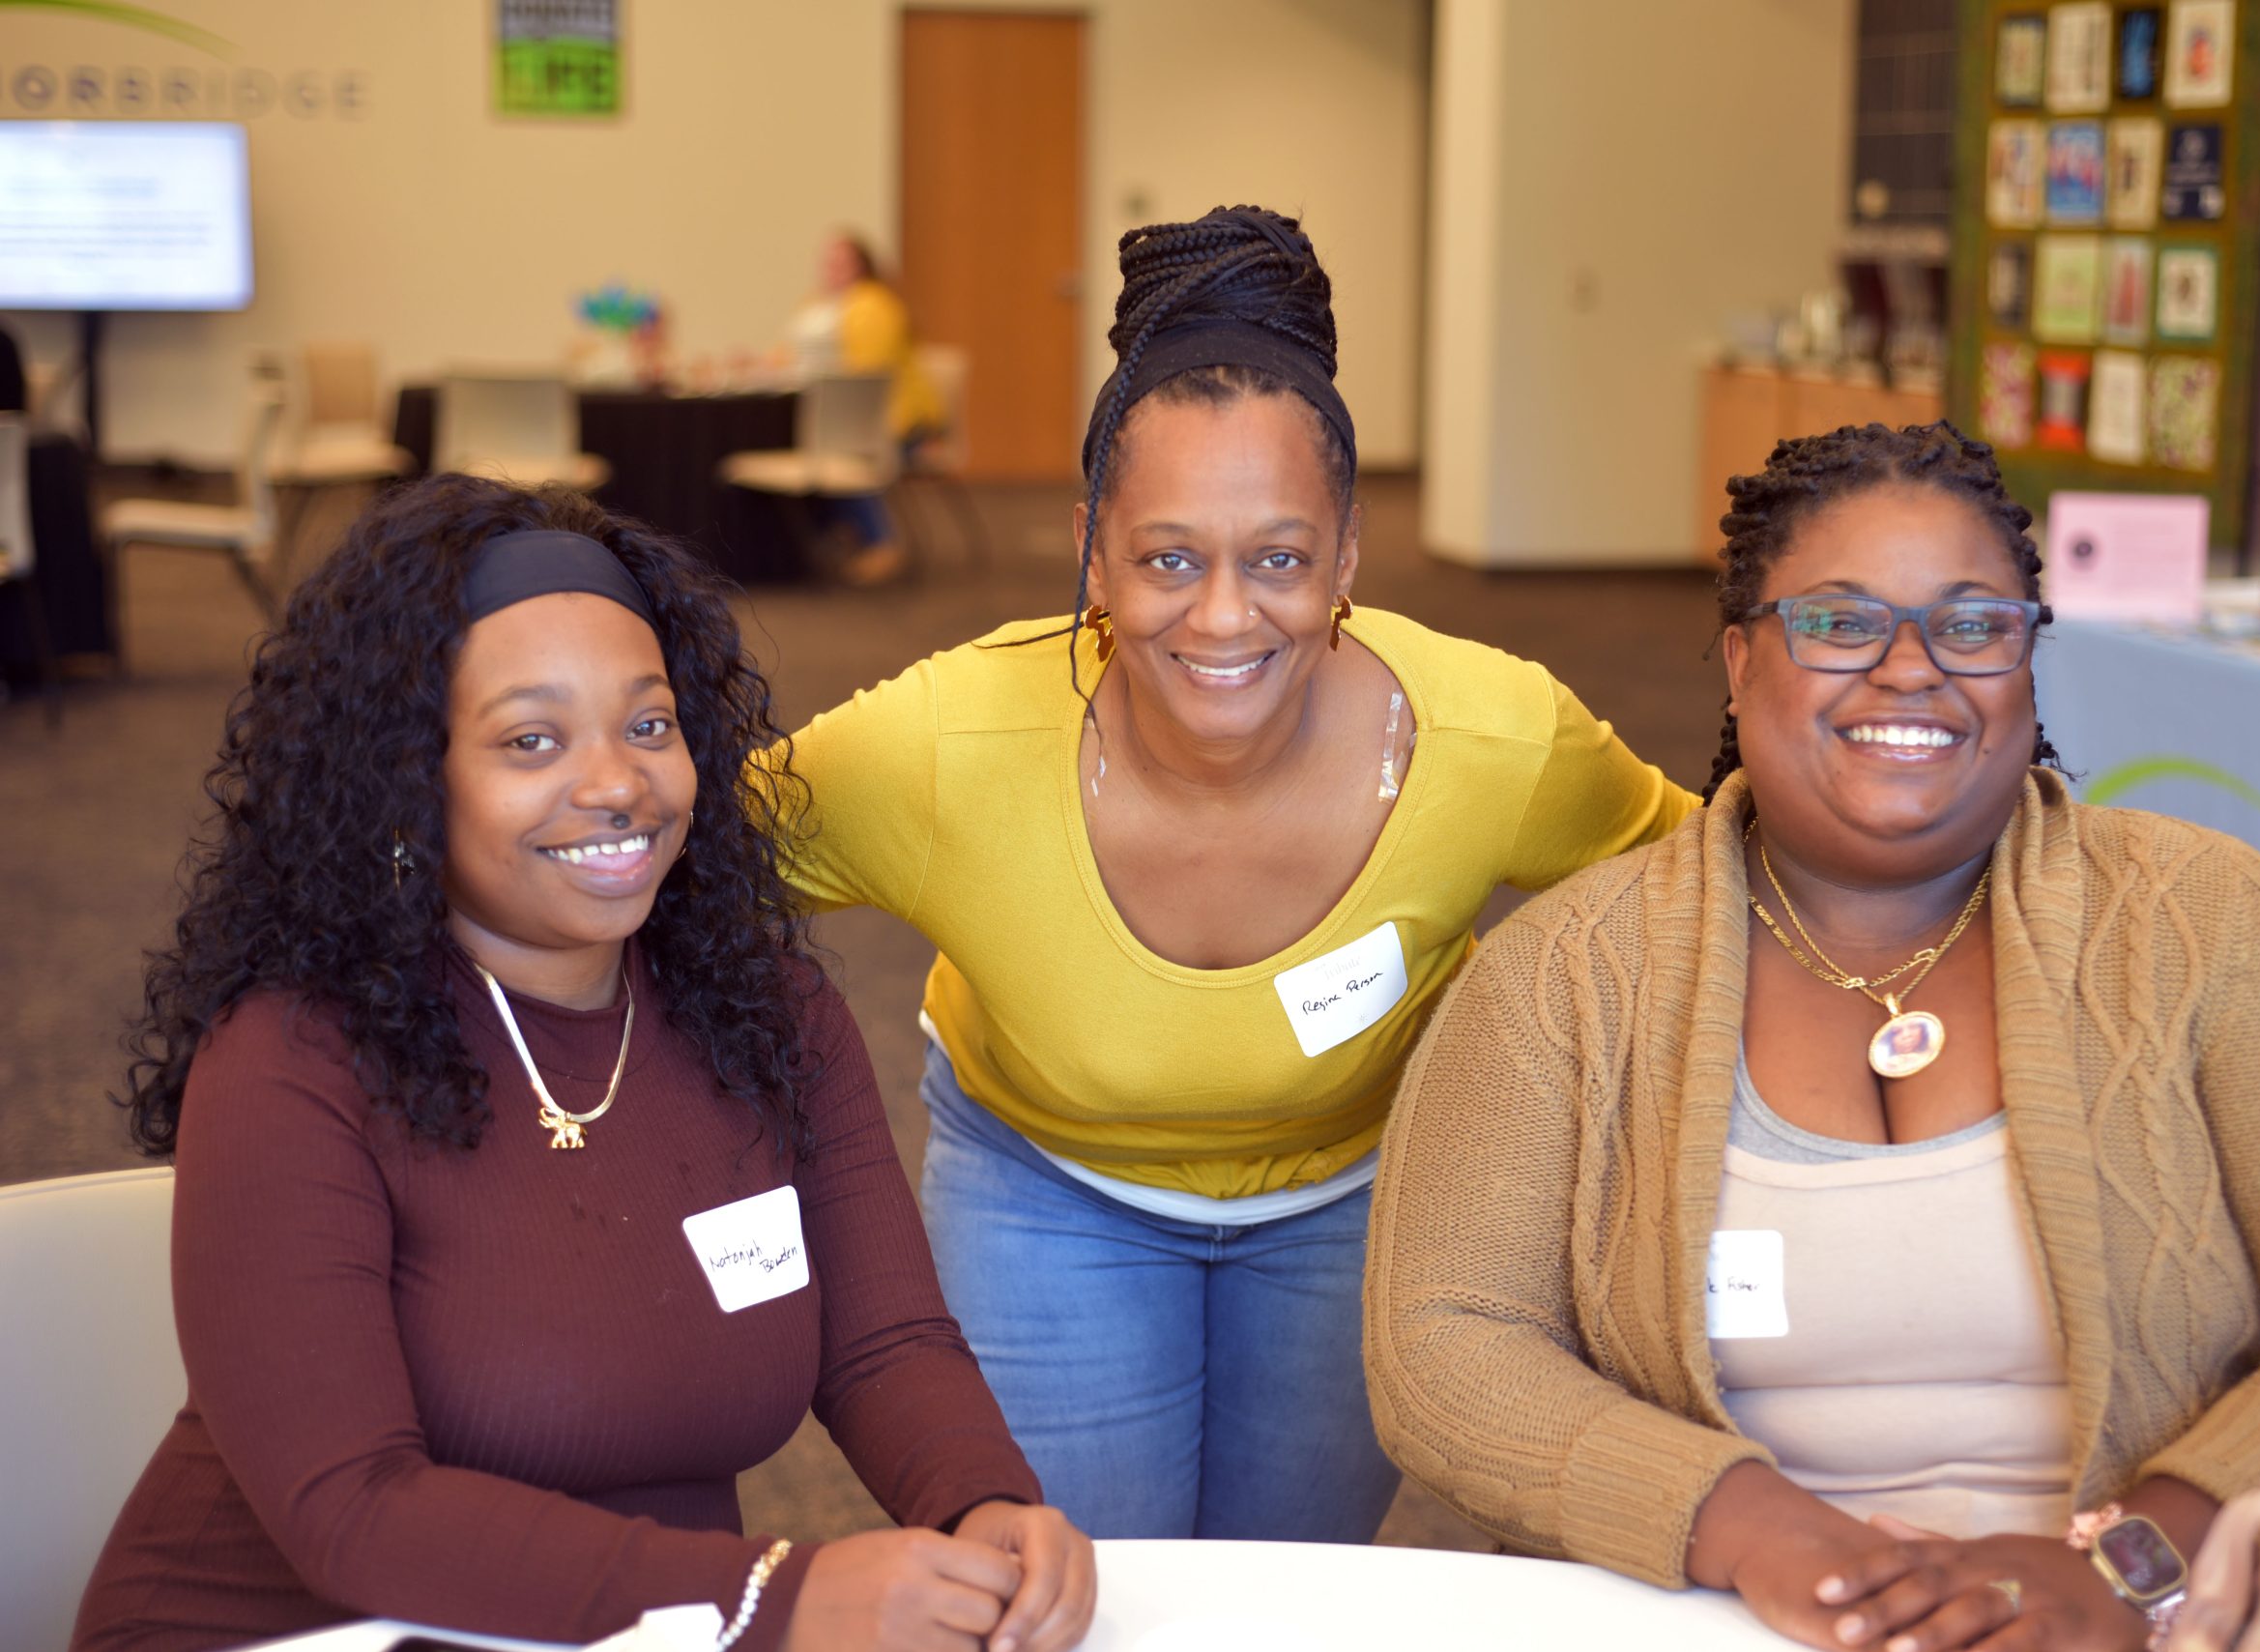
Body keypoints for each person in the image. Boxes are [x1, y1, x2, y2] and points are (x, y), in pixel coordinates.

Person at [1363, 421, 2260, 1652]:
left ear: (2027, 661)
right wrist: (1751, 1525)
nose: (1911, 667)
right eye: (1839, 622)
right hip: (1704, 1611)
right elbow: (1444, 1338)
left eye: (1971, 623)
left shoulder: (2207, 924)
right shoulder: (1567, 974)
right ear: (1739, 661)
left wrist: (2143, 1552)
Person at [768, 205, 1697, 1544]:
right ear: (1092, 547)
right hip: (1048, 1185)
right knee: (1083, 1604)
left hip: (1354, 1196)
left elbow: (1708, 891)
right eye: (1166, 559)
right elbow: (653, 862)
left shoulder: (1492, 738)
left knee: (1287, 1597)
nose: (1221, 616)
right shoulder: (944, 746)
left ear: (1349, 558)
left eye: (1278, 558)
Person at [73, 475, 1095, 1652]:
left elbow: (883, 1341)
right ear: (409, 781)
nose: (616, 782)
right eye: (531, 739)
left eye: (648, 723)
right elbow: (349, 1512)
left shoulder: (762, 1012)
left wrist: (984, 1503)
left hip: (640, 1630)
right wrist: (771, 1596)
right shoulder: (292, 1059)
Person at [788, 232, 942, 586]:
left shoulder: (875, 305)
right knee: (827, 443)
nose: (833, 268)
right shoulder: (818, 305)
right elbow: (793, 353)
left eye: (843, 260)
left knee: (842, 450)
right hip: (846, 418)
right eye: (829, 260)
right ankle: (830, 535)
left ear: (863, 265)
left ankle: (879, 542)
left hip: (894, 421)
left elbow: (865, 376)